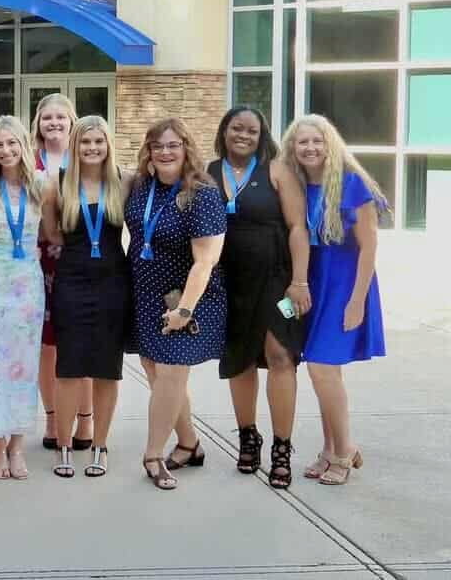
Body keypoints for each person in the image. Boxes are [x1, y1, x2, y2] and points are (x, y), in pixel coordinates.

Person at [209, 106, 311, 488]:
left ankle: (282, 448)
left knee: (281, 354)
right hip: (228, 283)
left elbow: (298, 228)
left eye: (252, 130)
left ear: (262, 135)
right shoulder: (209, 172)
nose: (244, 135)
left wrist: (299, 282)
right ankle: (248, 436)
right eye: (237, 128)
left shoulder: (277, 170)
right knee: (240, 360)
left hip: (277, 281)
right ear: (225, 131)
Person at [282, 114, 386, 485]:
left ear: (330, 144)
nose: (310, 148)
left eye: (317, 141)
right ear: (292, 148)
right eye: (302, 142)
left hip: (344, 285)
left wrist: (357, 301)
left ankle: (344, 451)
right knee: (322, 371)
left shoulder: (352, 184)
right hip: (309, 284)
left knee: (322, 368)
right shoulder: (294, 185)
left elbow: (370, 246)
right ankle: (330, 449)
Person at [125, 117, 226, 491]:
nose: (165, 152)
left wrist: (184, 310)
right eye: (158, 146)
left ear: (186, 149)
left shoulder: (202, 194)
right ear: (148, 152)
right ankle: (190, 444)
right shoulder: (141, 187)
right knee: (157, 372)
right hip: (146, 293)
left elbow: (206, 260)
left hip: (188, 298)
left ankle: (153, 455)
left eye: (173, 145)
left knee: (170, 373)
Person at [0, 116, 56, 480]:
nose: (5, 151)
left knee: (24, 363)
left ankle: (17, 444)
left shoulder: (42, 185)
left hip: (27, 284)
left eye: (11, 143)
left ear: (23, 144)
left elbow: (50, 233)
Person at [46, 116, 134, 479]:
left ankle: (100, 445)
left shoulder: (125, 181)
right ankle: (65, 446)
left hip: (114, 281)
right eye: (85, 142)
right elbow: (52, 232)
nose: (93, 148)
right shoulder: (58, 184)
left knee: (106, 370)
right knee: (68, 367)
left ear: (108, 144)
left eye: (99, 141)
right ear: (75, 145)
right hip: (72, 279)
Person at [31, 93, 93, 452]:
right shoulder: (29, 161)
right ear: (38, 123)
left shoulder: (86, 158)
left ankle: (85, 419)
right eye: (47, 117)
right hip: (38, 261)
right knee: (46, 346)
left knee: (78, 342)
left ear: (72, 122)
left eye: (61, 117)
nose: (54, 123)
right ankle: (53, 418)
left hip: (80, 259)